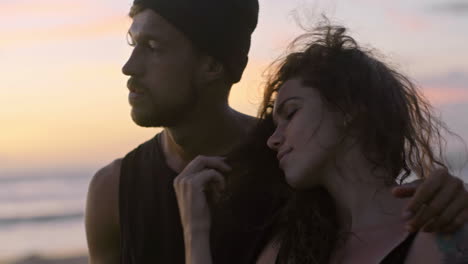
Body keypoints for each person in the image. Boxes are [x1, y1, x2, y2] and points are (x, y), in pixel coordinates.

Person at [85, 0, 467, 262]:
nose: (129, 67)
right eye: (134, 44)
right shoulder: (113, 192)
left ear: (212, 66)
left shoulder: (292, 164)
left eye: (152, 46)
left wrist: (447, 198)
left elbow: (374, 204)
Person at [173, 24, 468, 264]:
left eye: (291, 113)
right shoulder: (287, 250)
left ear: (349, 109)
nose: (274, 140)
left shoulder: (441, 235)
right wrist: (195, 233)